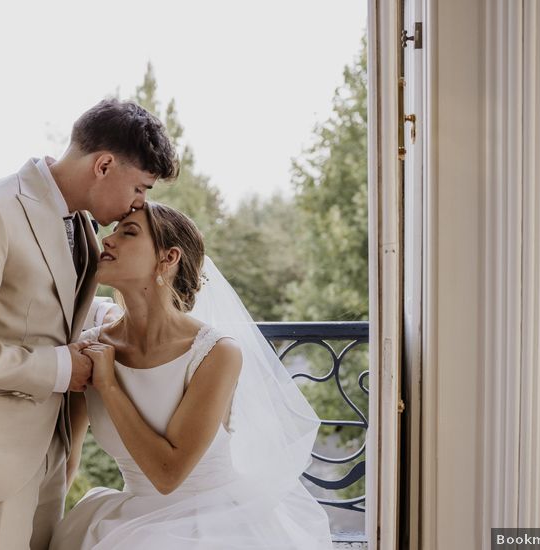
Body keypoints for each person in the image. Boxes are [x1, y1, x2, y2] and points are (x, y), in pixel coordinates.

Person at [0, 99, 178, 550]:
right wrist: (61, 370)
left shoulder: (80, 223)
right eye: (140, 188)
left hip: (48, 450)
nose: (139, 204)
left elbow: (48, 307)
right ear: (104, 165)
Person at [50, 202, 334, 549]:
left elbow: (168, 474)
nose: (107, 240)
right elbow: (68, 458)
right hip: (126, 522)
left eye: (129, 232)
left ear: (168, 258)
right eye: (114, 231)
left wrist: (108, 384)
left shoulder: (216, 352)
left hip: (215, 525)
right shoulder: (88, 349)